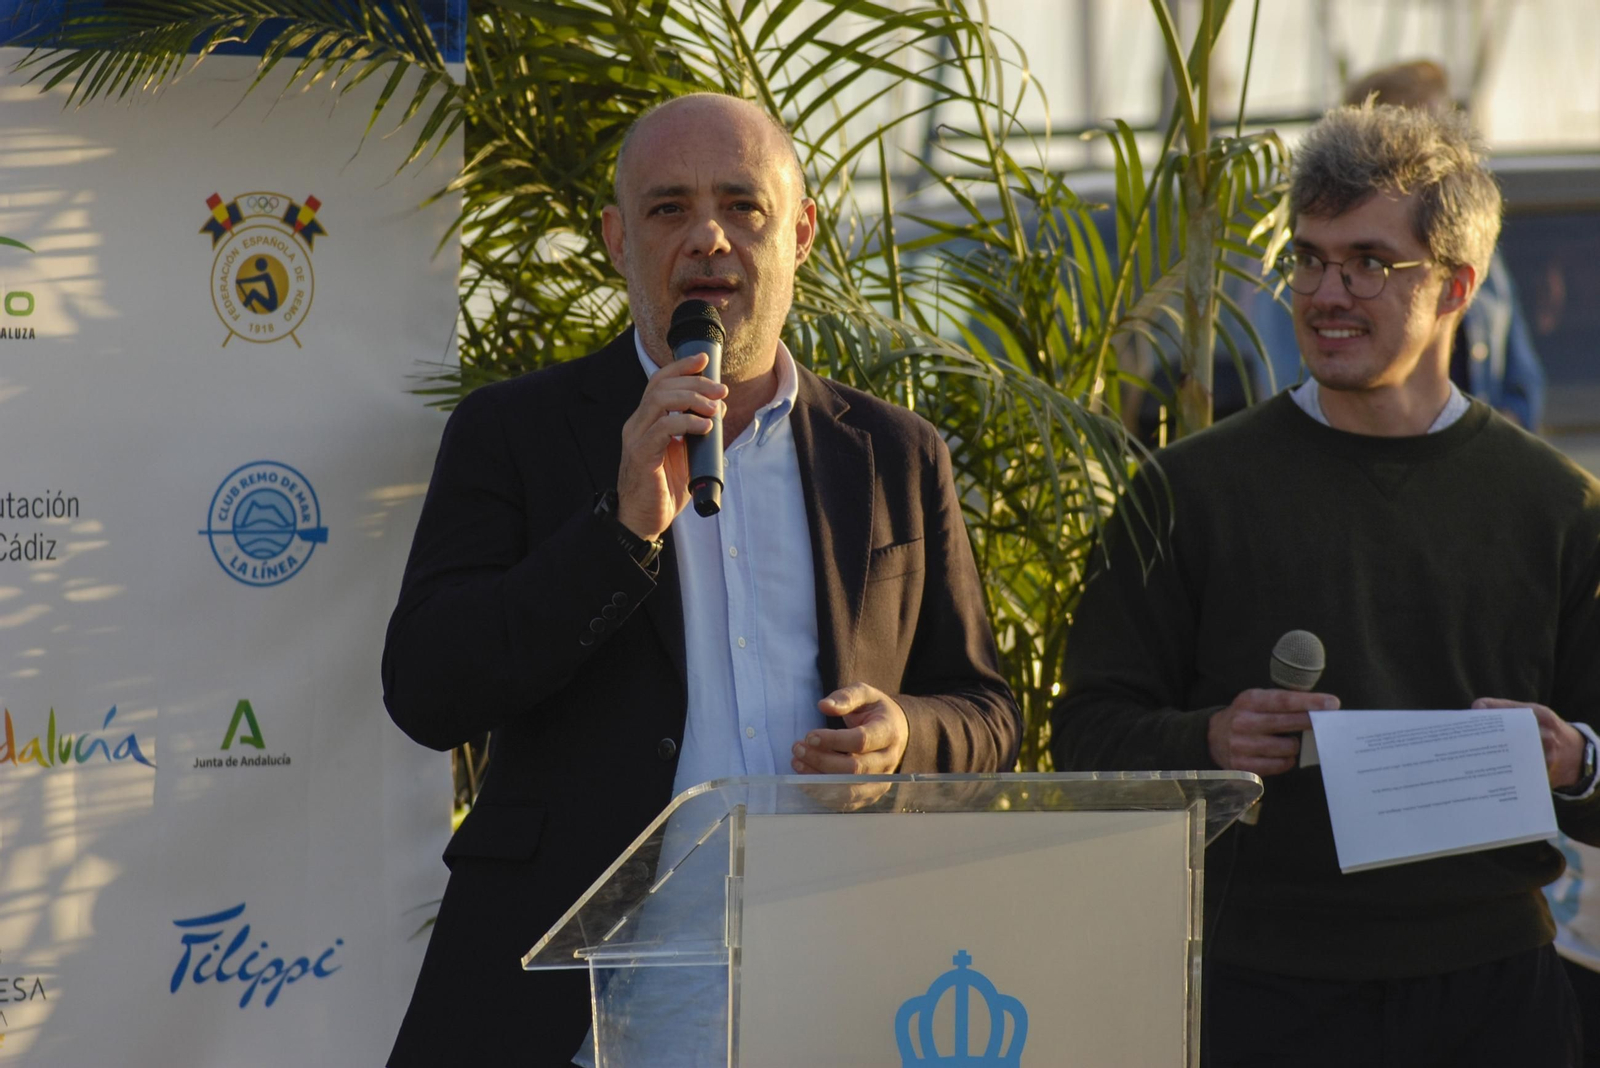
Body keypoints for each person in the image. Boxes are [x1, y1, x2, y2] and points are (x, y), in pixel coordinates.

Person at [381, 92, 1020, 1068]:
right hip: (583, 1000)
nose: (708, 238)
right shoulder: (515, 433)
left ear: (801, 230)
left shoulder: (893, 453)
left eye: (743, 205)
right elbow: (428, 687)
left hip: (838, 980)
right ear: (615, 238)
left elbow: (983, 712)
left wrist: (901, 739)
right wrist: (624, 524)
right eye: (668, 208)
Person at [1051, 101, 1600, 1067]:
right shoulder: (1188, 491)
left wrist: (1573, 761)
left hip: (1494, 1000)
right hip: (1258, 996)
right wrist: (1210, 740)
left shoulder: (1557, 507)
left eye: (1369, 264)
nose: (1326, 292)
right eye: (1308, 257)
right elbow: (1084, 739)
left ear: (1457, 287)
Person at [1240, 59, 1546, 431]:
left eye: (1368, 262)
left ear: (1456, 286)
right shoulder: (1297, 267)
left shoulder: (1478, 256)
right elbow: (1289, 396)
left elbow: (1521, 379)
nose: (1443, 151)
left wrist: (1485, 445)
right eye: (1424, 132)